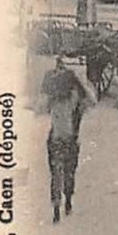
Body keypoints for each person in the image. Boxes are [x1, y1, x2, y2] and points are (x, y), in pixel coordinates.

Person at [40, 59, 95, 223]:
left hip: (55, 139)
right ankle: (68, 200)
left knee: (55, 174)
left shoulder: (52, 100)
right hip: (71, 140)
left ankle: (56, 207)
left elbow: (39, 108)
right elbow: (92, 100)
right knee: (69, 172)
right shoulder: (75, 101)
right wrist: (80, 81)